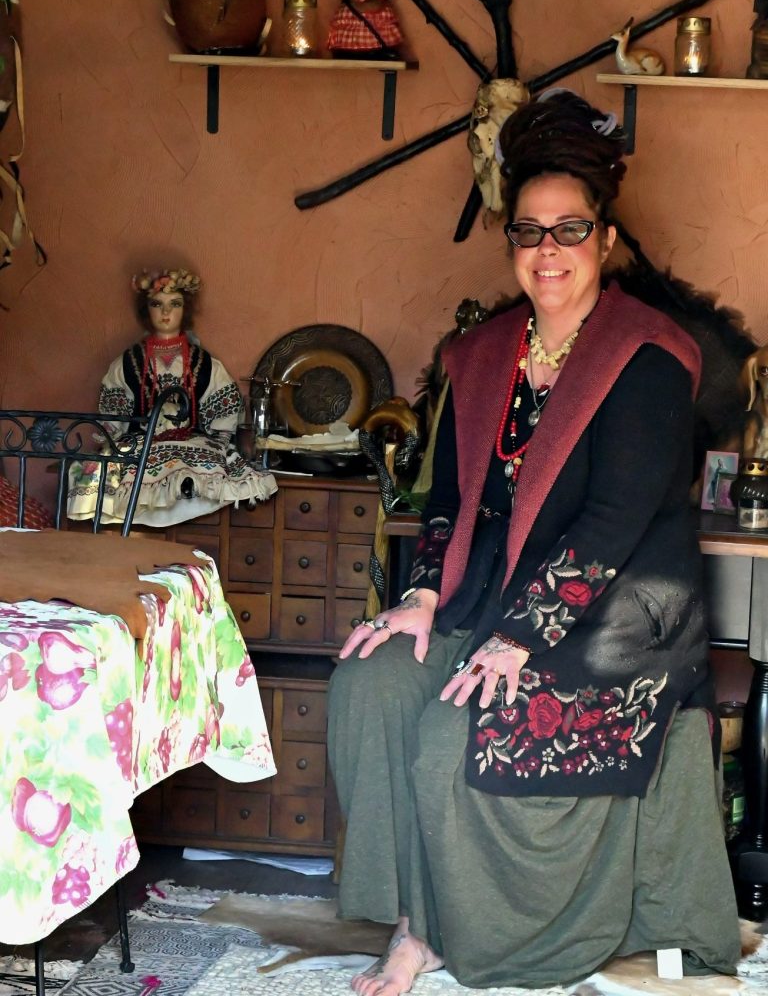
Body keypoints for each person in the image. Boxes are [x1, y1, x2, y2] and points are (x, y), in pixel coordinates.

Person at [327, 91, 740, 995]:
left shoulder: (648, 357)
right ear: (510, 243)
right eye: (528, 232)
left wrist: (523, 635)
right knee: (371, 684)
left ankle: (432, 935)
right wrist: (425, 596)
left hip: (616, 615)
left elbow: (616, 520)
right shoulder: (480, 355)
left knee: (451, 732)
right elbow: (445, 499)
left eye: (569, 230)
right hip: (483, 599)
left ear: (607, 240)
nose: (546, 251)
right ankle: (410, 912)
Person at [67, 268, 276, 528]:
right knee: (111, 465)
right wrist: (121, 436)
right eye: (157, 304)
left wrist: (218, 441)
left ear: (185, 309)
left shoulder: (205, 363)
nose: (166, 313)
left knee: (204, 465)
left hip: (191, 441)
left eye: (174, 304)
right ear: (146, 310)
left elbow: (225, 412)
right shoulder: (128, 362)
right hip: (141, 442)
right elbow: (114, 415)